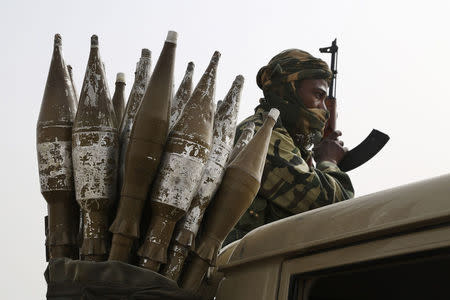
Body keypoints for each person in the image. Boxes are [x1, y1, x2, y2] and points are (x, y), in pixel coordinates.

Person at [224, 49, 354, 245]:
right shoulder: (263, 137)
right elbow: (335, 209)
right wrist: (329, 161)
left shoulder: (280, 139)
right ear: (289, 91)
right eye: (318, 95)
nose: (324, 110)